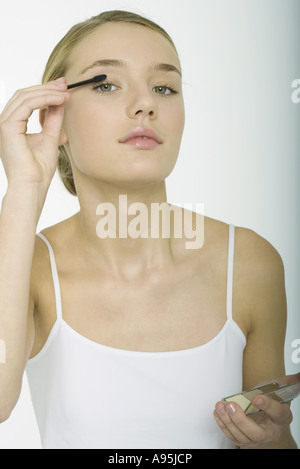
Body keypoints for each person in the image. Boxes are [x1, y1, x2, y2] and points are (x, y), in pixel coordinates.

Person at [0, 10, 298, 450]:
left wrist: (272, 441)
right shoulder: (30, 266)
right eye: (106, 84)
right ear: (54, 116)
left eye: (164, 87)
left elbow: (276, 439)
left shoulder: (252, 263)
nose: (146, 104)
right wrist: (24, 187)